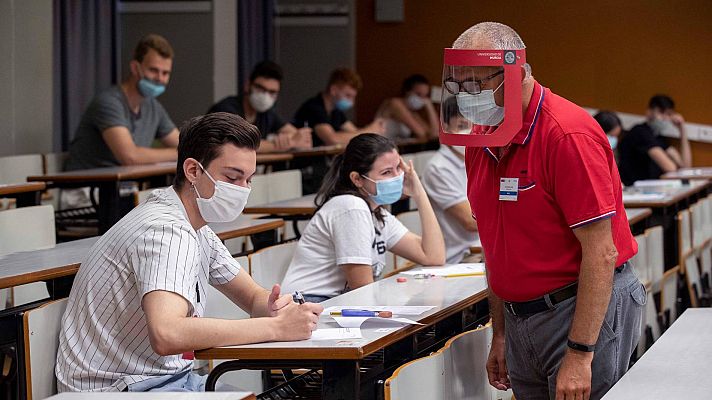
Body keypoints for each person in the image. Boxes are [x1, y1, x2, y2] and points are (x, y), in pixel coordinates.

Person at [56, 113, 323, 392]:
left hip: (162, 379)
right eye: (233, 177)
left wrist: (275, 309)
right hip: (116, 389)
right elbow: (167, 333)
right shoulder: (166, 231)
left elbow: (253, 297)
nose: (243, 190)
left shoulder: (196, 227)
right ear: (193, 171)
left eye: (248, 180)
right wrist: (276, 329)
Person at [452, 22, 641, 400]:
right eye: (460, 84)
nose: (467, 96)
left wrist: (580, 353)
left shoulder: (566, 135)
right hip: (521, 317)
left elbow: (602, 253)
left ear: (517, 74)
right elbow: (495, 245)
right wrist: (501, 332)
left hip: (578, 310)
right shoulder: (481, 140)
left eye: (478, 83)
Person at [280, 133, 445, 303]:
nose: (397, 177)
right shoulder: (351, 207)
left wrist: (419, 193)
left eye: (399, 168)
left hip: (334, 303)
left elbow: (433, 257)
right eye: (386, 172)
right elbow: (362, 289)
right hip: (309, 303)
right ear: (357, 179)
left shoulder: (376, 213)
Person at [66, 34, 179, 171]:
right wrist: (178, 153)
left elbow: (185, 144)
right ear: (135, 67)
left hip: (121, 187)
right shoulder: (109, 102)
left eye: (165, 73)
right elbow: (130, 157)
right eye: (153, 70)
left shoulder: (153, 107)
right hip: (84, 188)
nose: (160, 78)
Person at [421, 99, 478, 264]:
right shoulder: (438, 168)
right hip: (461, 257)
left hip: (484, 247)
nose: (469, 132)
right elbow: (470, 221)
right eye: (461, 126)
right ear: (445, 127)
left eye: (474, 126)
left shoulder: (480, 158)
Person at [208, 61, 312, 152]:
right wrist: (281, 143)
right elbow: (241, 145)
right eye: (261, 89)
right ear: (248, 85)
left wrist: (290, 138)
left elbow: (301, 138)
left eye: (272, 92)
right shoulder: (226, 109)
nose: (265, 96)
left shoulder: (267, 113)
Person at [293, 67, 385, 147]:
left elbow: (355, 132)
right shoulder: (314, 108)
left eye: (353, 97)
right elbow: (332, 139)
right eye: (348, 96)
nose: (352, 102)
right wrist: (369, 130)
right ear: (334, 90)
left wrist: (372, 130)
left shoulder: (336, 111)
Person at [617, 95, 692, 186]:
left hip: (650, 189)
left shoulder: (658, 136)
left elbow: (685, 167)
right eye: (661, 112)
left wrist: (682, 129)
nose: (664, 117)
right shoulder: (640, 132)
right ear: (649, 112)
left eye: (668, 114)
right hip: (633, 188)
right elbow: (670, 168)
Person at [376, 74, 439, 140]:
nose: (422, 100)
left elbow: (434, 135)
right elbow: (421, 133)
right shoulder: (394, 103)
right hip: (379, 146)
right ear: (407, 91)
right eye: (418, 94)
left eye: (424, 96)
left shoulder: (412, 112)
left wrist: (429, 106)